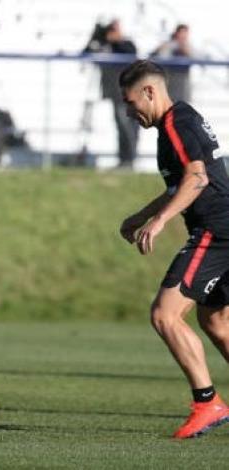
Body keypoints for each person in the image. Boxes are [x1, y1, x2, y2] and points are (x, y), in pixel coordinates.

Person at [118, 60, 229, 439]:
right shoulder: (182, 119)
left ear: (149, 92)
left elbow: (197, 177)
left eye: (130, 102)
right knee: (215, 322)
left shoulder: (176, 124)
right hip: (225, 228)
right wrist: (140, 216)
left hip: (216, 232)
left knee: (165, 315)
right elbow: (181, 182)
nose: (129, 112)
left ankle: (208, 403)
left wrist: (161, 221)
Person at [85, 19, 138, 168]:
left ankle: (129, 160)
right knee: (120, 126)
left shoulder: (126, 44)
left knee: (127, 126)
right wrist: (95, 37)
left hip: (127, 93)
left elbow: (131, 53)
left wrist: (116, 40)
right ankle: (124, 159)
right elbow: (86, 53)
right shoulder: (104, 44)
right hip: (114, 94)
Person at [152, 24, 192, 103]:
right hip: (170, 79)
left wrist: (186, 50)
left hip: (183, 80)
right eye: (182, 33)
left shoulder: (188, 47)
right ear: (177, 33)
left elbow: (194, 56)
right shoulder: (169, 45)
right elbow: (160, 56)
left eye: (186, 33)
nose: (184, 36)